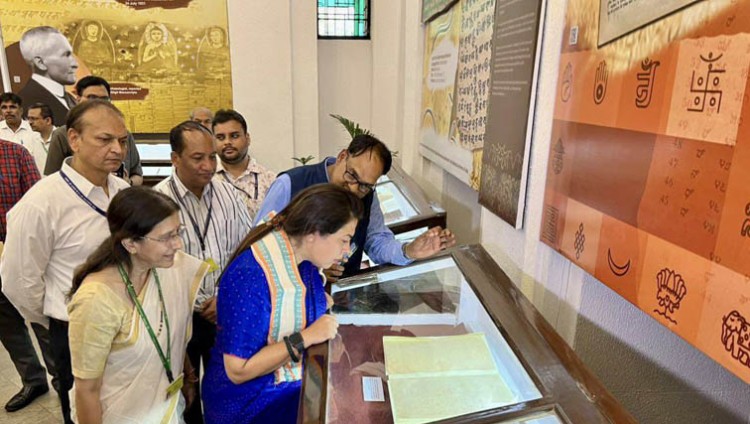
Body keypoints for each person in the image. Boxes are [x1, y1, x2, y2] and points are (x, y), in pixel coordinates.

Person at [0, 100, 132, 424]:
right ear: (73, 139)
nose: (117, 149)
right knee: (83, 413)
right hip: (74, 330)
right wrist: (56, 319)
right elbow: (19, 282)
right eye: (105, 139)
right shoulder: (41, 202)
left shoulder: (123, 191)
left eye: (123, 140)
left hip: (128, 324)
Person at [202, 184, 362, 423]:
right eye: (344, 240)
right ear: (313, 232)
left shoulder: (304, 261)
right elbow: (237, 370)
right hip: (250, 406)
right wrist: (307, 336)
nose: (347, 250)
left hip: (289, 390)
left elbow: (311, 301)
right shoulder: (251, 277)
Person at [67, 186, 209, 423]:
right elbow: (87, 389)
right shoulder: (96, 299)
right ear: (131, 244)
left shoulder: (166, 268)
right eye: (166, 237)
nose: (178, 245)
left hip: (167, 407)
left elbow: (168, 327)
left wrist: (187, 374)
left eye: (177, 232)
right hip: (121, 414)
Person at [153, 120, 253, 424]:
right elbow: (154, 270)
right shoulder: (157, 203)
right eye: (198, 158)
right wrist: (193, 301)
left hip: (223, 311)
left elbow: (244, 250)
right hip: (176, 316)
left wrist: (224, 296)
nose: (208, 165)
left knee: (226, 383)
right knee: (185, 389)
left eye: (212, 156)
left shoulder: (228, 194)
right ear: (175, 159)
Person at [256, 134, 456, 280]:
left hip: (341, 296)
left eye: (364, 185)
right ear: (343, 156)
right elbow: (260, 247)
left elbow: (377, 241)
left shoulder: (367, 195)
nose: (353, 189)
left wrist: (409, 250)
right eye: (351, 175)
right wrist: (312, 270)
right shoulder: (290, 184)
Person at [0, 138, 58, 413]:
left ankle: (62, 380)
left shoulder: (16, 154)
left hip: (22, 252)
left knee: (40, 316)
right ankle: (33, 380)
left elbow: (40, 201)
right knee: (6, 323)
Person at [43, 76, 143, 186]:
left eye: (104, 99)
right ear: (78, 99)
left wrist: (128, 183)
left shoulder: (124, 134)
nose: (98, 103)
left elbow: (137, 174)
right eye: (92, 97)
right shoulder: (62, 135)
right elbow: (52, 177)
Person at [212, 109, 275, 221]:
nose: (227, 142)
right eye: (220, 138)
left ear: (247, 139)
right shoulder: (207, 180)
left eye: (234, 136)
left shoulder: (269, 180)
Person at [18, 26, 79, 126]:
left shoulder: (71, 99)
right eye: (66, 55)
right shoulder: (25, 102)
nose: (75, 64)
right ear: (40, 63)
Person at [0, 93, 47, 172]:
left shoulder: (33, 130)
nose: (8, 111)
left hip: (31, 177)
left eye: (12, 107)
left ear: (21, 110)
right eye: (4, 107)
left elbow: (41, 162)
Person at [26, 102, 56, 171]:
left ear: (48, 120)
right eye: (29, 118)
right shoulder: (31, 139)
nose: (30, 122)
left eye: (34, 119)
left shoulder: (62, 137)